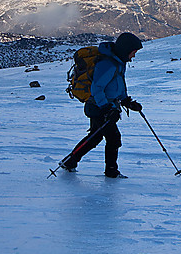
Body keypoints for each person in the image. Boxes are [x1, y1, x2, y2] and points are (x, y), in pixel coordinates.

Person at [60, 32, 144, 178]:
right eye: (133, 52)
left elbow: (117, 86)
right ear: (126, 50)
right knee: (113, 138)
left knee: (95, 137)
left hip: (104, 106)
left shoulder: (118, 62)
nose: (134, 56)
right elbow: (97, 88)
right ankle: (111, 171)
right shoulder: (108, 64)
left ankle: (69, 162)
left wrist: (126, 101)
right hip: (97, 107)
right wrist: (106, 108)